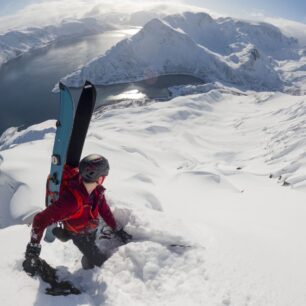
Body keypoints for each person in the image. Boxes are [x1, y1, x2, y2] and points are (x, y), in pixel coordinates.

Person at [23, 154, 131, 276]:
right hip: (79, 235)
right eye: (103, 176)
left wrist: (117, 229)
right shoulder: (71, 201)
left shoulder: (96, 190)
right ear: (99, 178)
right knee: (102, 263)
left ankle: (78, 249)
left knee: (91, 247)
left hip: (90, 227)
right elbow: (40, 219)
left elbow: (104, 209)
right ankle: (72, 240)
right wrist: (32, 250)